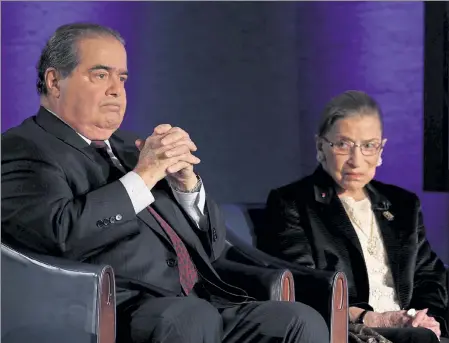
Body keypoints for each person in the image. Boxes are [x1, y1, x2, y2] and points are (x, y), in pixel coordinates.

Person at [1, 23, 329, 343]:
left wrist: (187, 188)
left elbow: (213, 249)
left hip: (199, 300)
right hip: (114, 310)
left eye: (122, 78)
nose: (116, 89)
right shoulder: (24, 147)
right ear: (55, 81)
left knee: (297, 321)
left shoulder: (132, 148)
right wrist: (143, 177)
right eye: (101, 75)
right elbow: (58, 235)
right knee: (190, 317)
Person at [256, 90, 449, 343]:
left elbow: (429, 275)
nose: (356, 161)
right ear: (321, 146)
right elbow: (300, 284)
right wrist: (371, 318)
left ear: (381, 149)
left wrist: (427, 318)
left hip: (411, 327)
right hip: (347, 329)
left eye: (369, 146)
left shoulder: (403, 205)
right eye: (343, 144)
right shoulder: (292, 202)